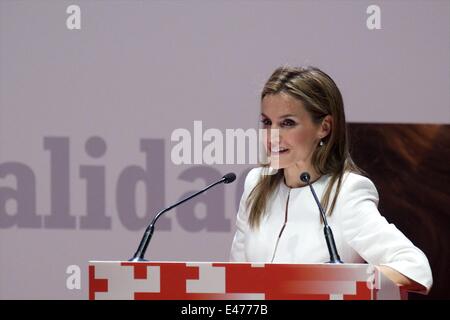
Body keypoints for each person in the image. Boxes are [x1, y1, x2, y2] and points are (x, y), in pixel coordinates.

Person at [230, 66, 433, 293]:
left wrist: (337, 283)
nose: (272, 135)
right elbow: (236, 278)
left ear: (324, 127)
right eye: (267, 122)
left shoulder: (346, 191)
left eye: (287, 123)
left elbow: (415, 267)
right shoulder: (256, 183)